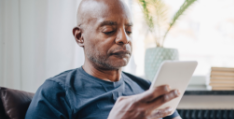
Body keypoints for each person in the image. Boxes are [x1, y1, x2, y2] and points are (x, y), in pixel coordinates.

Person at [25, 0, 182, 119]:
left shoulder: (146, 88)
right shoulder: (56, 93)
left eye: (128, 30)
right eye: (109, 31)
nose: (124, 39)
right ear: (80, 37)